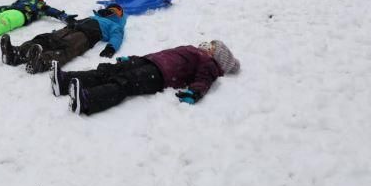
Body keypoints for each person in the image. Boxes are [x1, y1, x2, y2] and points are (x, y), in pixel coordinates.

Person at [50, 40, 240, 115]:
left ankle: (87, 100)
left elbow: (204, 80)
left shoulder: (209, 64)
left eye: (212, 47)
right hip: (148, 62)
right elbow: (161, 53)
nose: (207, 45)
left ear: (216, 57)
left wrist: (194, 93)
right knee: (108, 70)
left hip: (160, 75)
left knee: (125, 83)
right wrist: (132, 59)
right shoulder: (192, 49)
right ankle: (64, 81)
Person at [0, 4, 126, 74]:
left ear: (118, 15)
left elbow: (117, 36)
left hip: (85, 36)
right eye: (109, 9)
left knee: (66, 49)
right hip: (69, 29)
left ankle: (41, 62)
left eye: (114, 11)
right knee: (45, 38)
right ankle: (16, 54)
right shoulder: (94, 17)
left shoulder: (115, 25)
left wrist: (111, 47)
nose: (109, 11)